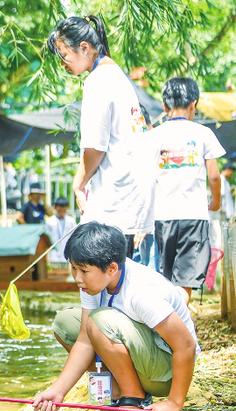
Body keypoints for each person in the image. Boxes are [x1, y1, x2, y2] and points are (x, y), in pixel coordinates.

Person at [34, 222, 199, 411]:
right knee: (65, 323)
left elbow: (186, 345)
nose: (77, 278)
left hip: (165, 371)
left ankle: (133, 400)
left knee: (98, 320)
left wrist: (175, 403)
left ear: (111, 268)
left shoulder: (141, 292)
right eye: (73, 268)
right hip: (140, 356)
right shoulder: (93, 283)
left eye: (83, 270)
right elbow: (84, 340)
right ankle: (117, 395)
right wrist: (59, 390)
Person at [47, 15, 151, 256]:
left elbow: (95, 147)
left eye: (64, 55)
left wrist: (79, 183)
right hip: (132, 198)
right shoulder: (117, 76)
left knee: (101, 281)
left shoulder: (98, 81)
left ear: (84, 48)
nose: (62, 64)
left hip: (114, 202)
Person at [149, 77, 225, 300]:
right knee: (185, 282)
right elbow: (214, 175)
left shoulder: (154, 136)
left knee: (166, 279)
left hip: (162, 217)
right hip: (194, 216)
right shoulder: (204, 134)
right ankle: (177, 326)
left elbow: (145, 177)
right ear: (194, 104)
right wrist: (216, 202)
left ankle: (166, 327)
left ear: (164, 106)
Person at [46, 197, 77, 264]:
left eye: (64, 207)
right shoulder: (49, 221)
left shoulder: (71, 221)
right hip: (53, 256)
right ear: (55, 207)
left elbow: (75, 238)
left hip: (67, 255)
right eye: (60, 207)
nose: (62, 209)